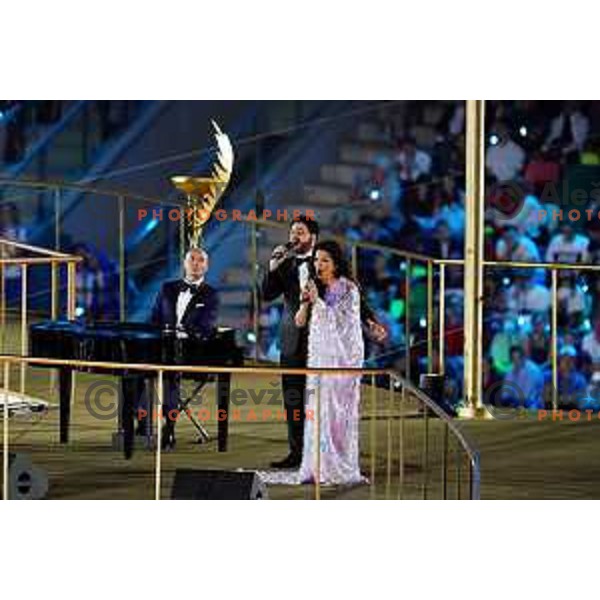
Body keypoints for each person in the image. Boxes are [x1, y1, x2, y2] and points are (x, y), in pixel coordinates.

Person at [261, 216, 386, 469]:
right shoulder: (284, 265)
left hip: (324, 342)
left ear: (312, 237)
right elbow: (266, 295)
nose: (295, 236)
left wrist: (370, 321)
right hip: (292, 339)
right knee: (294, 398)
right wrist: (273, 267)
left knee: (322, 398)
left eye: (301, 232)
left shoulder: (326, 266)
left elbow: (353, 301)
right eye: (292, 232)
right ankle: (297, 451)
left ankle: (324, 450)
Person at [150, 247, 219, 449]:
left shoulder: (211, 294)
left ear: (206, 266)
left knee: (171, 377)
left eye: (200, 260)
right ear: (184, 263)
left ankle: (168, 428)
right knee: (135, 370)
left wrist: (183, 331)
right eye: (192, 260)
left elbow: (206, 325)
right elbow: (154, 319)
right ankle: (140, 423)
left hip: (192, 351)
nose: (196, 263)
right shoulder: (166, 288)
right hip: (163, 347)